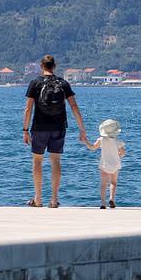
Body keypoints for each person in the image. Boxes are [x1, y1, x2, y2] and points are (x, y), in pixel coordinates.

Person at [23, 55, 88, 207]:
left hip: (39, 127)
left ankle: (38, 199)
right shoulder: (63, 83)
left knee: (37, 161)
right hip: (58, 127)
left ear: (41, 66)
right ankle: (53, 199)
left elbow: (28, 109)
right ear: (54, 66)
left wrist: (25, 130)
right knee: (56, 161)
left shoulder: (35, 83)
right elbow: (74, 107)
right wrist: (82, 129)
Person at [85, 119, 126, 209]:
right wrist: (119, 156)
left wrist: (85, 142)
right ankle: (111, 199)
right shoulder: (118, 141)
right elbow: (123, 153)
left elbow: (92, 147)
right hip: (115, 164)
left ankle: (103, 203)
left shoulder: (101, 140)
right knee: (113, 182)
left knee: (103, 184)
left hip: (104, 165)